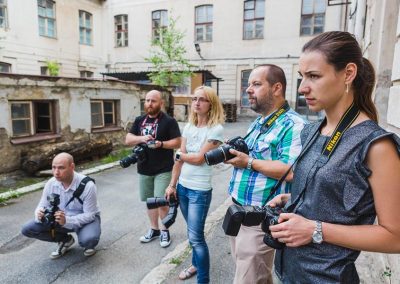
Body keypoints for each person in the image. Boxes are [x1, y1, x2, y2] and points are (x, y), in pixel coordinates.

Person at [268, 31, 400, 283]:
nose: (302, 88)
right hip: (288, 272)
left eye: (314, 76)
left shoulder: (377, 145)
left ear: (348, 73)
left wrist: (315, 230)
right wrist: (295, 197)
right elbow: (335, 191)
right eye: (301, 77)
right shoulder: (312, 130)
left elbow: (395, 237)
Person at [225, 64, 307, 284]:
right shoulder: (259, 122)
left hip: (260, 217)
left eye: (256, 84)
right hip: (238, 210)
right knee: (255, 274)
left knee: (249, 278)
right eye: (248, 84)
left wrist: (248, 162)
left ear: (277, 88)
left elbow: (293, 172)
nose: (248, 89)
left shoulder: (294, 125)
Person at [165, 86, 225, 283]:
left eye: (203, 99)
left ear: (211, 104)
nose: (197, 102)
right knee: (193, 235)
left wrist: (182, 155)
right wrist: (172, 185)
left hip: (199, 190)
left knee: (196, 237)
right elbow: (179, 160)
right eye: (195, 99)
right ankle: (195, 265)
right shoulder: (189, 127)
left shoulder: (216, 129)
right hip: (182, 187)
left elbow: (200, 159)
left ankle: (203, 279)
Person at [125, 89, 181, 248]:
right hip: (144, 168)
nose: (149, 103)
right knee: (150, 202)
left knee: (162, 202)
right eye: (147, 100)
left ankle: (165, 231)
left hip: (163, 168)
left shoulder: (169, 121)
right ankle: (154, 229)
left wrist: (161, 144)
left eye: (153, 101)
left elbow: (177, 142)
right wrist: (142, 138)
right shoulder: (139, 120)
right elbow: (128, 139)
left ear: (161, 103)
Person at [21, 152, 101, 259]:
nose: (56, 172)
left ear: (72, 167)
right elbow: (42, 204)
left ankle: (86, 241)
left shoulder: (88, 186)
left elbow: (90, 215)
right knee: (27, 229)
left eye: (61, 168)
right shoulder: (51, 183)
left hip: (84, 220)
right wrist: (39, 213)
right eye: (53, 168)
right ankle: (65, 240)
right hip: (60, 220)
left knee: (88, 240)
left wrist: (67, 221)